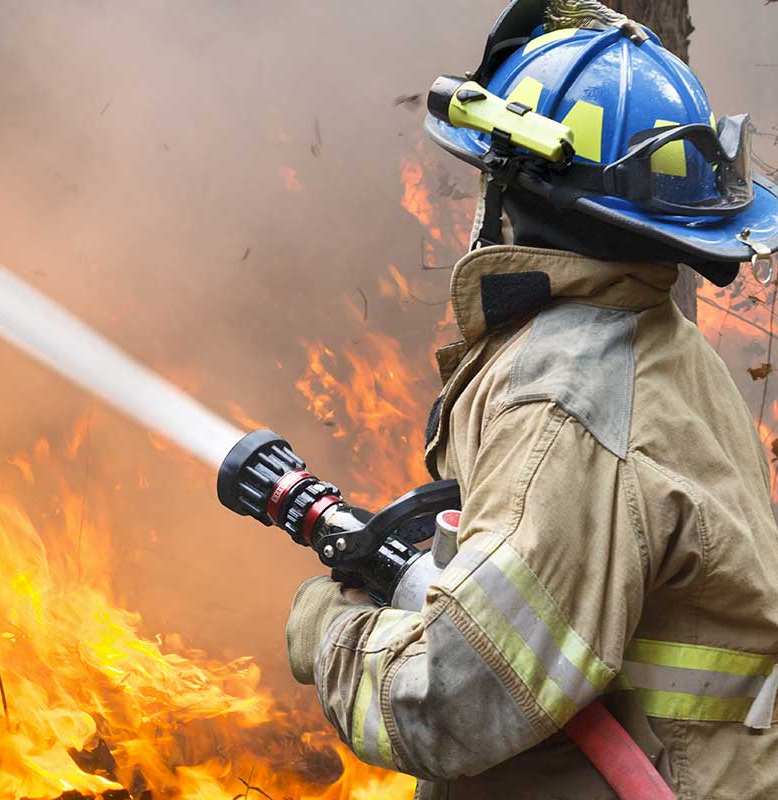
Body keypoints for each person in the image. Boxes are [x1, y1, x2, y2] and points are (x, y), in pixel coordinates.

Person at [282, 1, 778, 798]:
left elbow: (451, 701)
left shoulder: (565, 405)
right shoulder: (658, 345)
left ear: (517, 189)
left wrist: (325, 628)